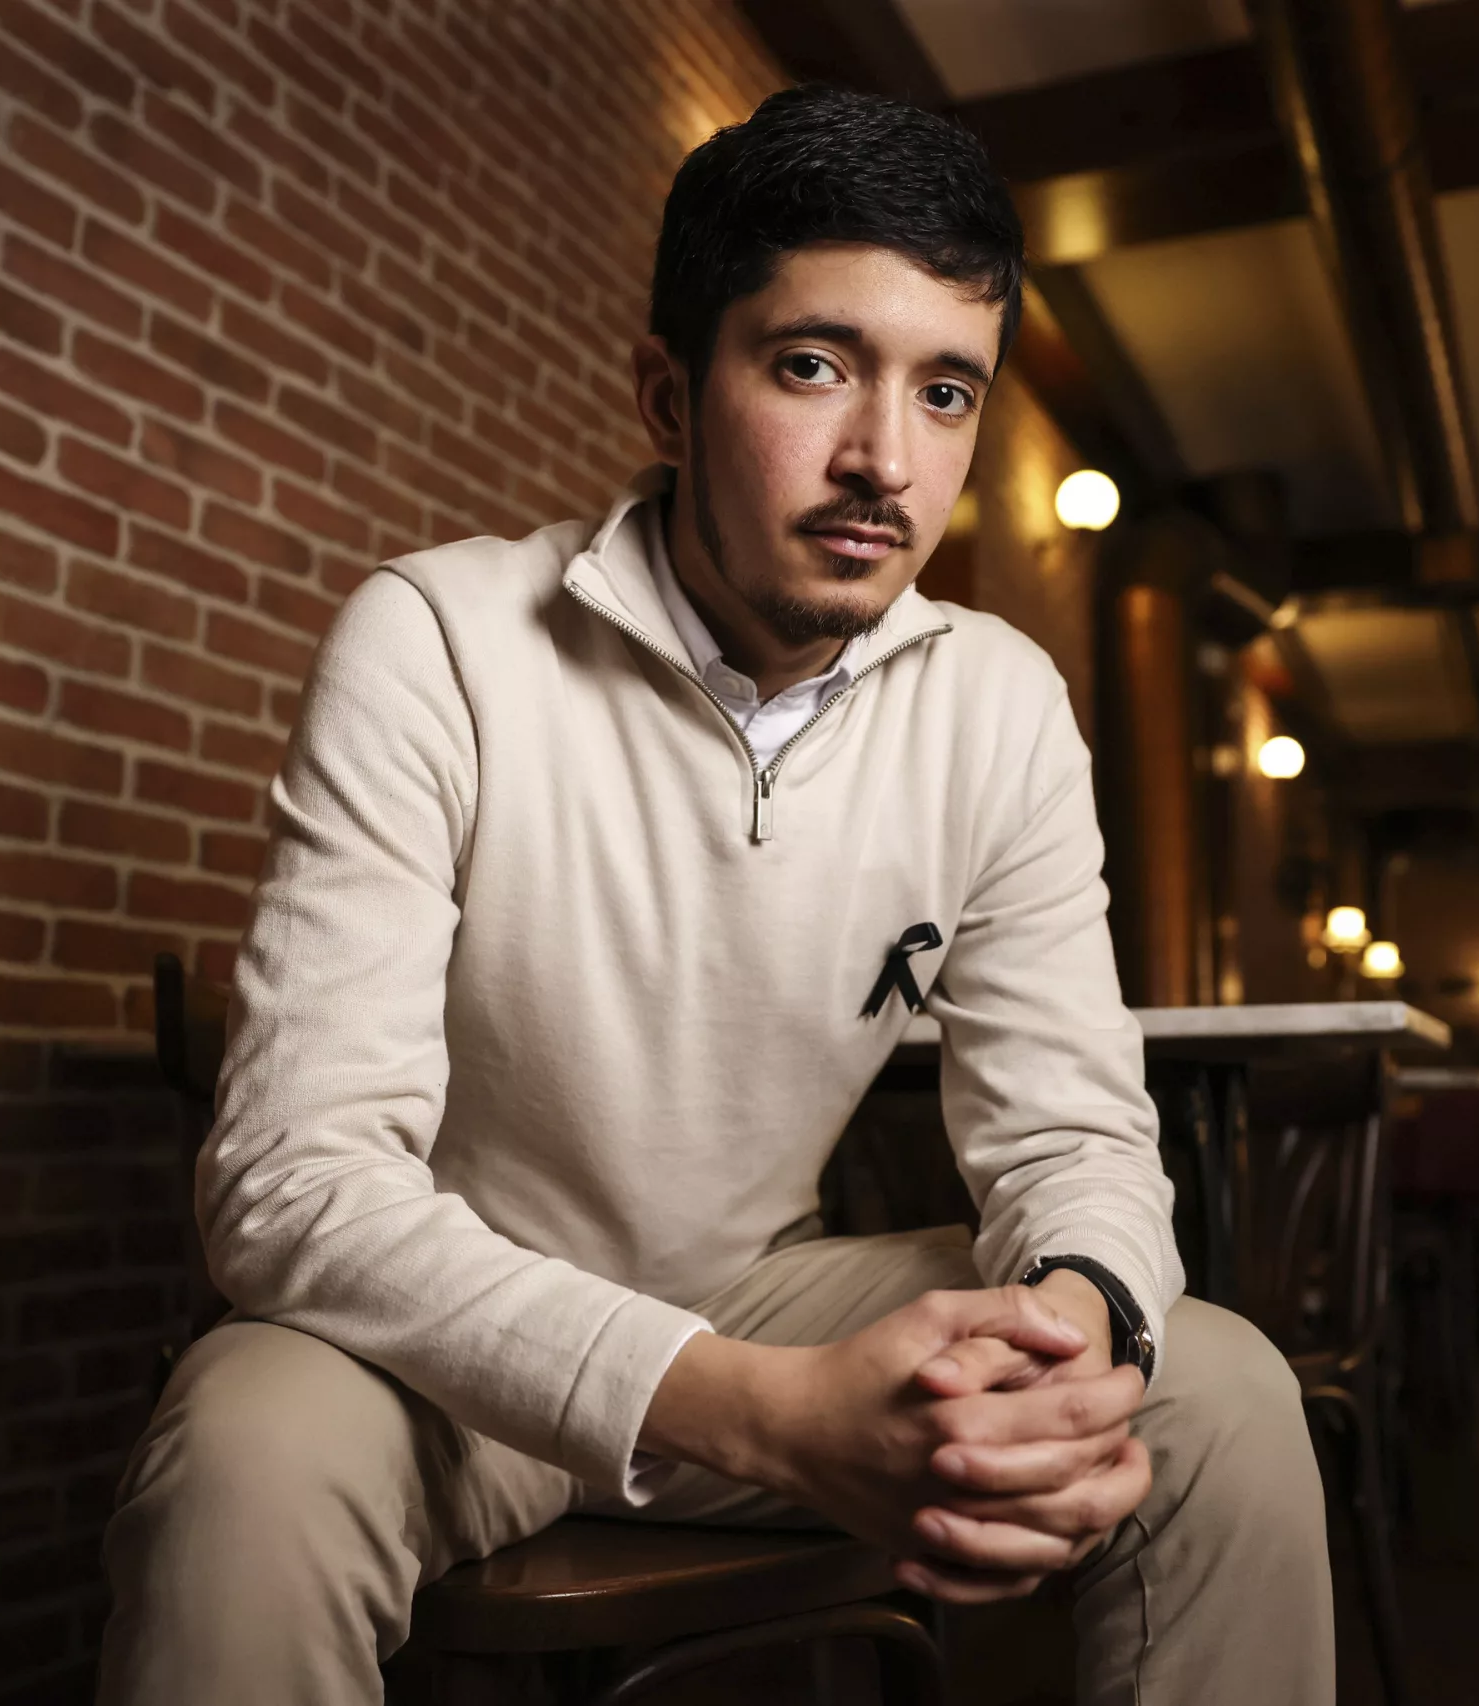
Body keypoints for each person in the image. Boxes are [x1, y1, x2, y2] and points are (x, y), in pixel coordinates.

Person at [98, 85, 1333, 1705]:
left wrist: (1073, 1327)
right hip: (447, 1340)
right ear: (670, 396)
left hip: (762, 1292)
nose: (883, 460)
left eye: (945, 391)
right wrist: (759, 1410)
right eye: (814, 364)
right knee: (242, 1458)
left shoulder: (1003, 704)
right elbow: (293, 1180)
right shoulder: (438, 638)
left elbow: (1071, 1135)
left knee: (1219, 1387)